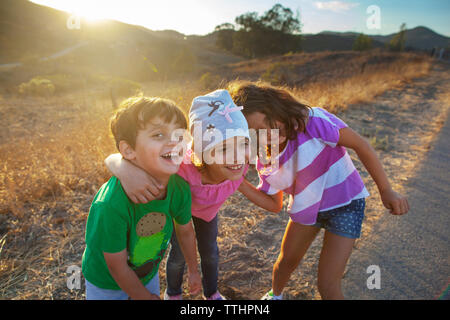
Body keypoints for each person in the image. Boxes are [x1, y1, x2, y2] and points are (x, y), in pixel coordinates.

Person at [227, 80, 409, 300]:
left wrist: (386, 190)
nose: (266, 135)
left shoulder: (313, 121)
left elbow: (361, 145)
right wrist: (238, 182)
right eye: (254, 134)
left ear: (274, 106)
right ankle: (275, 296)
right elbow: (274, 204)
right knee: (285, 263)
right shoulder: (267, 158)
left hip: (347, 205)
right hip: (307, 209)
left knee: (327, 286)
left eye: (265, 124)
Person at [105, 89, 251, 300]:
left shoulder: (239, 165)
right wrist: (120, 166)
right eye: (224, 148)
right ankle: (173, 292)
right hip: (180, 214)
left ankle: (211, 293)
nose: (236, 155)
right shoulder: (181, 165)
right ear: (202, 150)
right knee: (178, 256)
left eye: (243, 143)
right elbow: (123, 157)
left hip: (208, 215)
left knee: (210, 253)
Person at [81, 96, 201, 300]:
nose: (174, 141)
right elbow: (116, 267)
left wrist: (193, 269)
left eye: (179, 134)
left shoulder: (179, 188)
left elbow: (186, 232)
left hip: (146, 274)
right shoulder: (110, 205)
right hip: (105, 282)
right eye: (158, 134)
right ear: (128, 150)